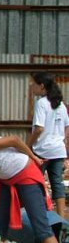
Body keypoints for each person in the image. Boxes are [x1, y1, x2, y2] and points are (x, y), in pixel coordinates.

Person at [27, 72, 69, 218]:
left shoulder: (42, 103)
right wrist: (63, 142)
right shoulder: (61, 105)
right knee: (57, 183)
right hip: (58, 150)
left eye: (33, 83)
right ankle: (62, 219)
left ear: (42, 86)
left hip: (42, 150)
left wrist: (28, 145)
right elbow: (66, 126)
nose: (31, 86)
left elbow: (39, 128)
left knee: (36, 184)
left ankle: (41, 215)